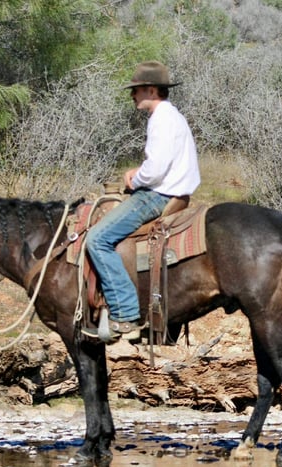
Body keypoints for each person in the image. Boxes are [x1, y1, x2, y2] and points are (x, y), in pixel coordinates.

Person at [82, 61, 201, 341]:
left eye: (136, 90)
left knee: (97, 239)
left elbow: (156, 169)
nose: (132, 95)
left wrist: (134, 180)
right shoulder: (172, 116)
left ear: (151, 90)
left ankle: (124, 313)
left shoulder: (161, 119)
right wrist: (140, 172)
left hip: (157, 195)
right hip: (172, 191)